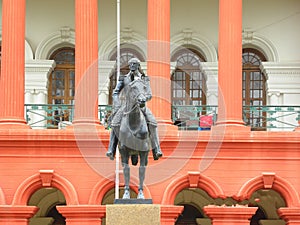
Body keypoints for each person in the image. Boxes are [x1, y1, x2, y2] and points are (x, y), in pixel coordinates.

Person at [106, 58, 163, 160]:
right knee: (115, 123)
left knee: (152, 123)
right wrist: (117, 103)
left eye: (134, 64)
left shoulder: (144, 79)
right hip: (126, 105)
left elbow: (149, 94)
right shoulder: (124, 78)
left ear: (138, 65)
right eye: (130, 64)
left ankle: (157, 149)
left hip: (141, 105)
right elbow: (115, 92)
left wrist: (144, 99)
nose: (132, 66)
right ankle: (111, 149)